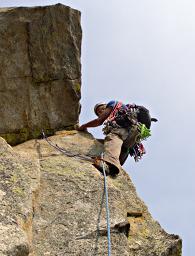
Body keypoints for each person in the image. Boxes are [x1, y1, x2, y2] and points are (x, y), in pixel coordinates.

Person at [77, 100, 157, 176]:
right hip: (133, 135)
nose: (101, 112)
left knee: (113, 137)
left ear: (106, 106)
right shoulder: (124, 111)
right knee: (117, 145)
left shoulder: (112, 104)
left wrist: (84, 126)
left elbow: (99, 121)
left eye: (101, 109)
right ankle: (114, 167)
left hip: (126, 129)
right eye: (98, 112)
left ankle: (109, 163)